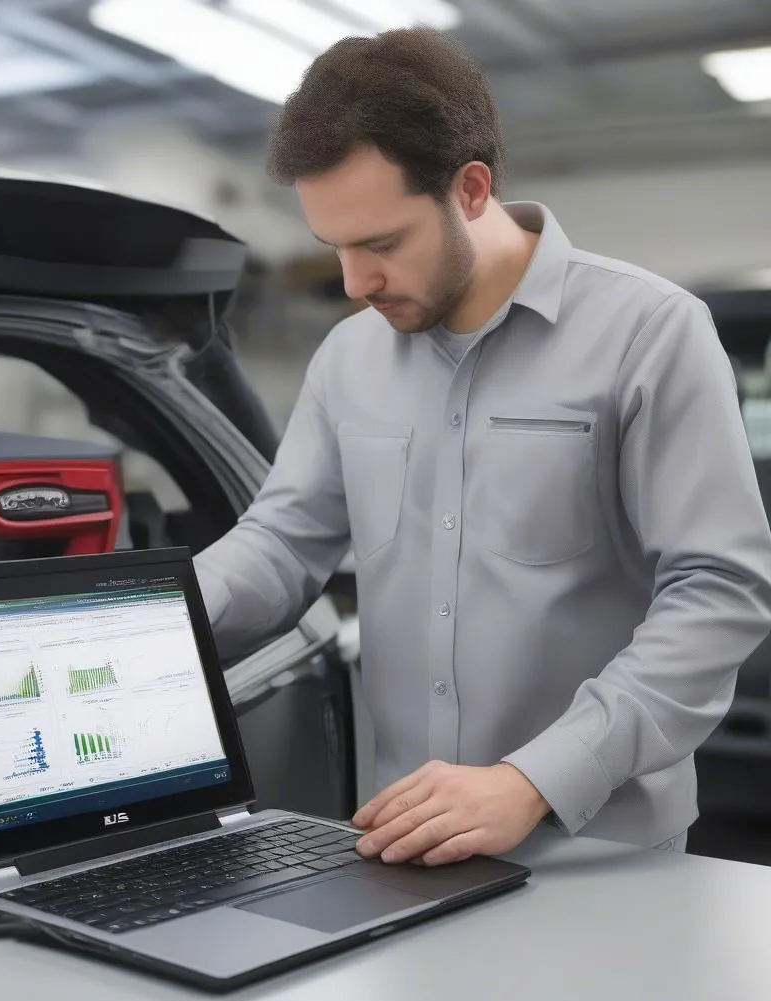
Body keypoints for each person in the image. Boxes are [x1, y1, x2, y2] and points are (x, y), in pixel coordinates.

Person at [193, 26, 771, 865]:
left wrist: (535, 779)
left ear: (470, 189)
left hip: (600, 852)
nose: (355, 284)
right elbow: (282, 542)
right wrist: (153, 620)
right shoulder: (349, 357)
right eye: (336, 250)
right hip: (403, 847)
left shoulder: (649, 332)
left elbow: (720, 592)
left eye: (381, 244)